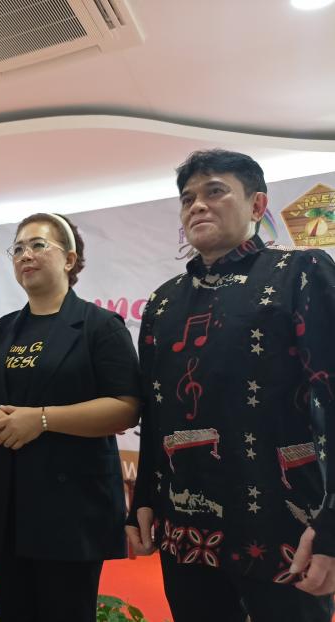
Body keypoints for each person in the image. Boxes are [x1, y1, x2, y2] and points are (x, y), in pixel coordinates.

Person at [126, 149, 335, 622]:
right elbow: (156, 414)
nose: (196, 205)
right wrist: (142, 500)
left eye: (214, 191)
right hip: (186, 526)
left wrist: (332, 526)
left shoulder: (301, 274)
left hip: (286, 523)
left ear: (258, 206)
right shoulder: (162, 303)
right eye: (187, 198)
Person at [0, 213, 141, 622]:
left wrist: (42, 420)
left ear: (69, 259)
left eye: (37, 245)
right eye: (18, 248)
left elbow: (126, 405)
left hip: (70, 504)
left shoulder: (99, 326)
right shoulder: (1, 331)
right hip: (5, 499)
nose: (25, 255)